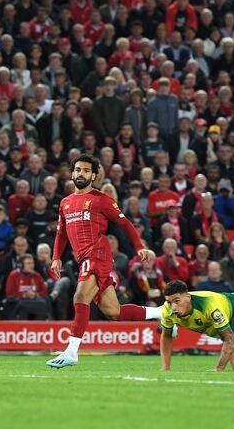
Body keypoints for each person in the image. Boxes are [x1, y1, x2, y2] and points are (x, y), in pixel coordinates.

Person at [47, 155, 159, 369]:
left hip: (97, 254)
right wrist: (56, 257)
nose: (81, 173)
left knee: (80, 296)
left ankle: (71, 352)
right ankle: (163, 312)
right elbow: (61, 233)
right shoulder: (65, 203)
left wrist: (139, 246)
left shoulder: (101, 199)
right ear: (72, 174)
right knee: (113, 311)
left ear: (94, 176)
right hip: (83, 259)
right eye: (78, 170)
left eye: (86, 171)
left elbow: (125, 224)